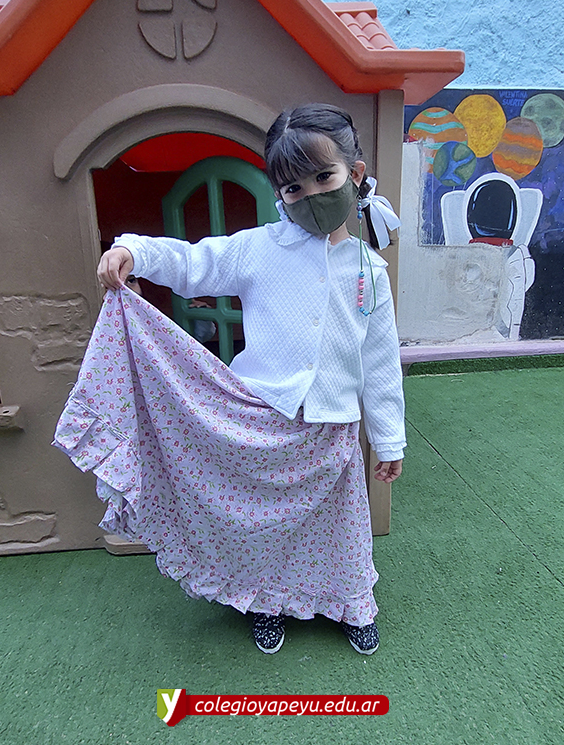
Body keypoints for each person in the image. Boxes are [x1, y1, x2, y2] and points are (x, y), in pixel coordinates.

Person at [87, 103, 405, 655]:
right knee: (261, 527)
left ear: (354, 174)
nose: (310, 195)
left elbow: (379, 364)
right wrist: (134, 250)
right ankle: (264, 601)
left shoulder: (369, 270)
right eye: (293, 188)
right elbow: (193, 263)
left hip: (331, 431)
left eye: (324, 178)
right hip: (260, 424)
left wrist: (389, 438)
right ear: (279, 193)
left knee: (339, 528)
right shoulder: (259, 248)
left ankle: (352, 603)